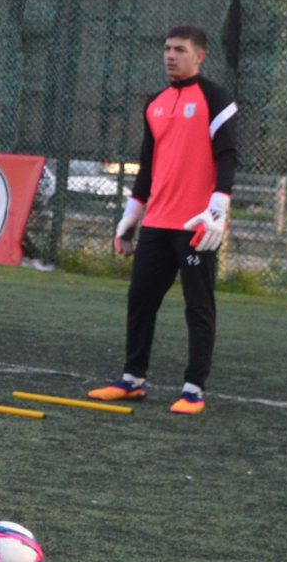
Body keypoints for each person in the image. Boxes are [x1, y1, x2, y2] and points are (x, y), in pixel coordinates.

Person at [88, 25, 238, 415]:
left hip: (196, 225)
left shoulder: (216, 98)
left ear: (200, 55)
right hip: (157, 222)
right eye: (167, 48)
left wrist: (217, 211)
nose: (171, 55)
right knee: (140, 299)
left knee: (198, 306)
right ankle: (132, 380)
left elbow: (227, 156)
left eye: (180, 49)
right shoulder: (155, 103)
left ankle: (193, 390)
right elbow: (148, 166)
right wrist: (130, 217)